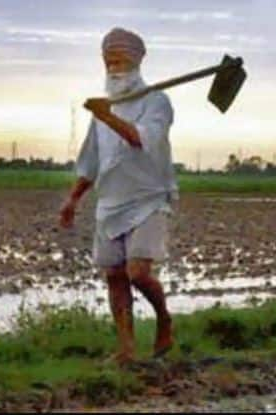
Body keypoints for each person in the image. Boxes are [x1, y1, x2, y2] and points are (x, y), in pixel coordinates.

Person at [59, 27, 178, 365]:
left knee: (138, 272)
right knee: (114, 275)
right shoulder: (105, 108)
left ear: (137, 62)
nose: (113, 68)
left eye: (120, 61)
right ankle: (126, 349)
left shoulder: (157, 102)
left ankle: (164, 319)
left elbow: (141, 139)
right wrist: (73, 199)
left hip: (149, 198)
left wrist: (106, 115)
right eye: (108, 61)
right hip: (111, 202)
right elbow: (91, 162)